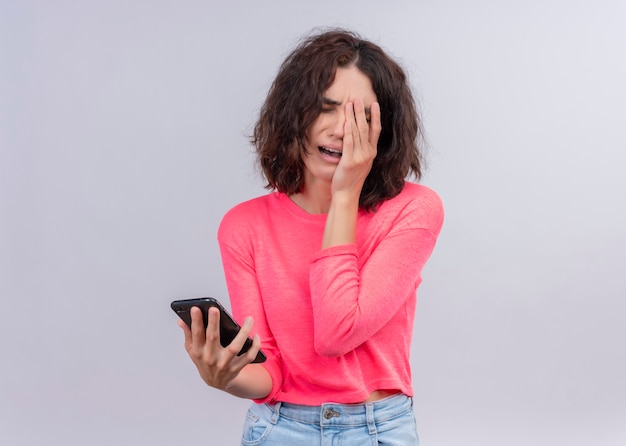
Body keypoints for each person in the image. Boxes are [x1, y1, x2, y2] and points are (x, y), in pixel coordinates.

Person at [178, 28, 444, 445]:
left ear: (383, 127)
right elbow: (271, 373)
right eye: (327, 108)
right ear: (294, 113)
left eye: (361, 116)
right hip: (279, 428)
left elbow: (337, 333)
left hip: (377, 430)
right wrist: (226, 377)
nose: (342, 129)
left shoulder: (412, 210)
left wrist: (345, 195)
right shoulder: (244, 226)